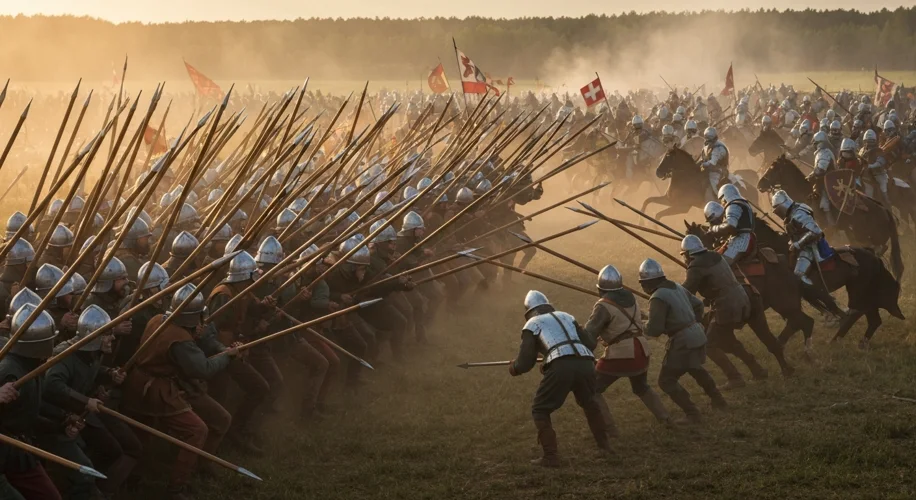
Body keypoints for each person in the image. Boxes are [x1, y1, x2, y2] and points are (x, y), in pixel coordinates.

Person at [122, 284, 239, 500]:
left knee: (142, 435)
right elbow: (203, 369)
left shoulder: (157, 319)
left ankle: (134, 479)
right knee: (197, 430)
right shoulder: (180, 339)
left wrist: (194, 335)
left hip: (137, 383)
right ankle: (176, 489)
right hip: (157, 390)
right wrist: (227, 356)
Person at [509, 291, 610, 467]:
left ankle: (550, 457)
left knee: (540, 409)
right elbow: (589, 343)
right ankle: (605, 446)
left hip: (562, 367)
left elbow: (525, 362)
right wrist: (549, 359)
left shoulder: (532, 324)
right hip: (586, 362)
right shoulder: (567, 316)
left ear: (529, 311)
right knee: (590, 403)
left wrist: (514, 367)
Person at [638, 258, 726, 423]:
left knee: (666, 381)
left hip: (683, 341)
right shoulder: (676, 287)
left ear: (648, 282)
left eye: (642, 283)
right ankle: (718, 400)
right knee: (695, 368)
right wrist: (692, 322)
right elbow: (698, 304)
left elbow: (654, 329)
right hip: (697, 333)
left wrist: (639, 324)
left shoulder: (657, 297)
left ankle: (692, 414)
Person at [584, 265, 670, 435]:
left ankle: (609, 429)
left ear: (601, 289)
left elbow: (590, 333)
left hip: (621, 355)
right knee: (641, 387)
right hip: (641, 350)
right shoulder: (631, 298)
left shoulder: (603, 306)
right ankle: (665, 418)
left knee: (591, 389)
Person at [771, 190, 832, 287]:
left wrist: (798, 243)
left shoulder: (799, 213)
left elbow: (815, 231)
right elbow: (795, 232)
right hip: (801, 246)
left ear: (782, 205)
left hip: (811, 246)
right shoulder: (790, 214)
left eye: (777, 208)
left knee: (799, 274)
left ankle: (818, 291)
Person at [707, 184, 755, 265]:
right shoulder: (741, 203)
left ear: (724, 197)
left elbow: (730, 225)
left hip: (741, 240)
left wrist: (713, 229)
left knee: (720, 264)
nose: (721, 203)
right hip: (744, 237)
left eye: (721, 200)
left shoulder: (733, 205)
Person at [698, 127, 729, 200]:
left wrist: (703, 164)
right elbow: (703, 158)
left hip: (718, 171)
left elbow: (713, 162)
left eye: (709, 138)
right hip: (708, 170)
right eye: (707, 137)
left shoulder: (719, 147)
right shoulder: (707, 146)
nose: (708, 139)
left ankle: (721, 199)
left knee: (713, 182)